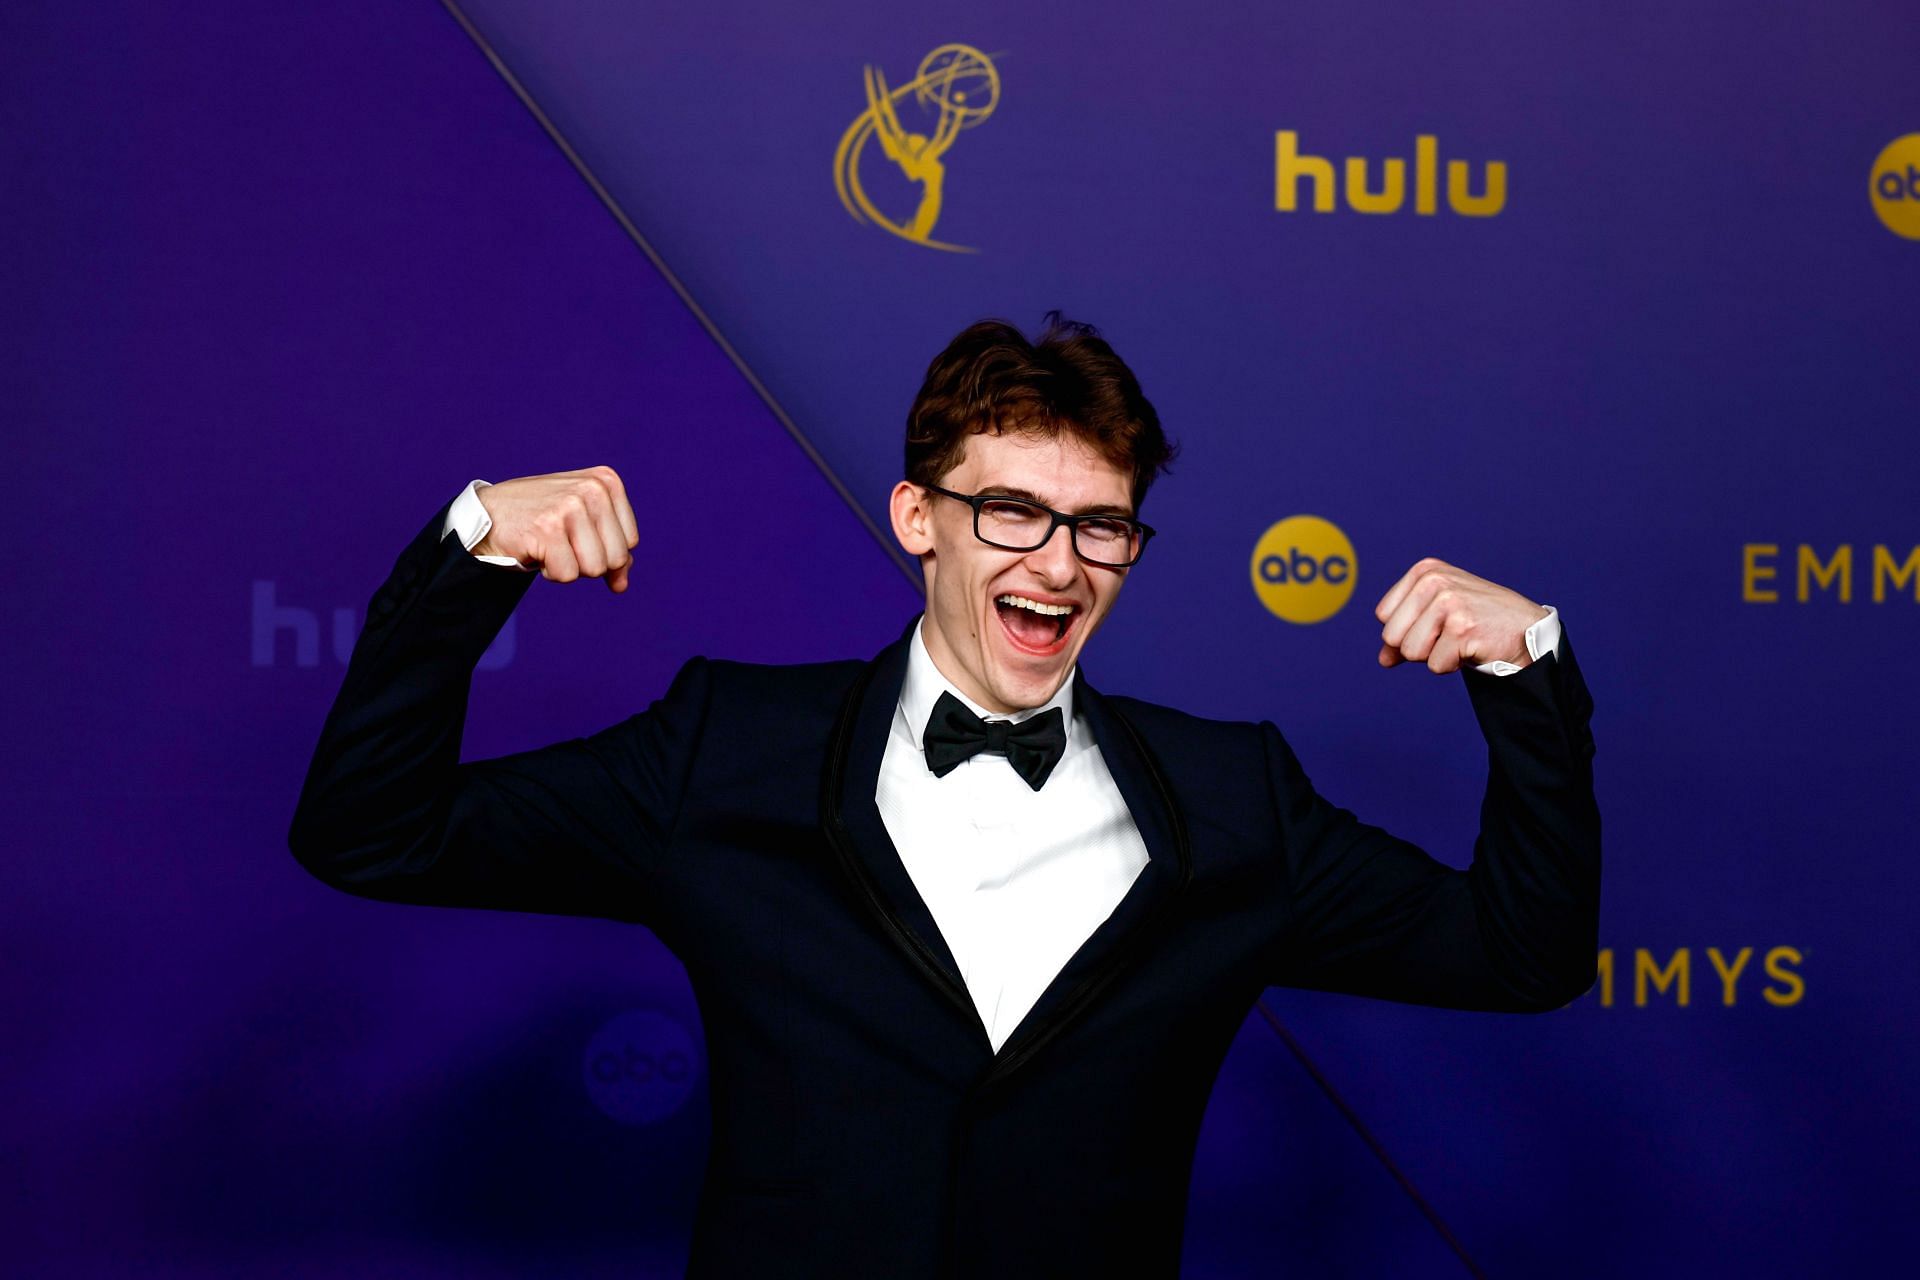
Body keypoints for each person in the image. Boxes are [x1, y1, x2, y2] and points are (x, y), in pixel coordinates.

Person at [289, 312, 1599, 1278]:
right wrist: (471, 557)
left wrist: (1529, 673)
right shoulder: (727, 748)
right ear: (920, 518)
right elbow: (370, 832)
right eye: (1014, 514)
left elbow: (1519, 953)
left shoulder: (1232, 795)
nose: (1061, 562)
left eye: (1103, 526)